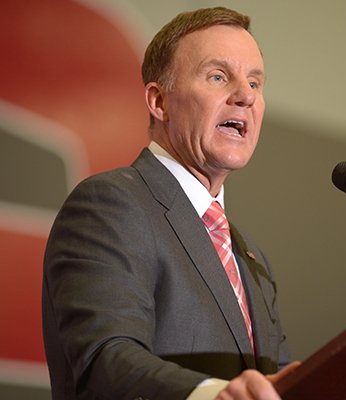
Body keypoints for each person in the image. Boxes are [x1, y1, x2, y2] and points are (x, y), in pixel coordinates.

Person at [42, 7, 299, 400]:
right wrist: (214, 395)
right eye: (218, 76)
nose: (245, 96)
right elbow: (105, 360)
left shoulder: (251, 260)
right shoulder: (110, 205)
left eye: (254, 82)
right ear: (159, 101)